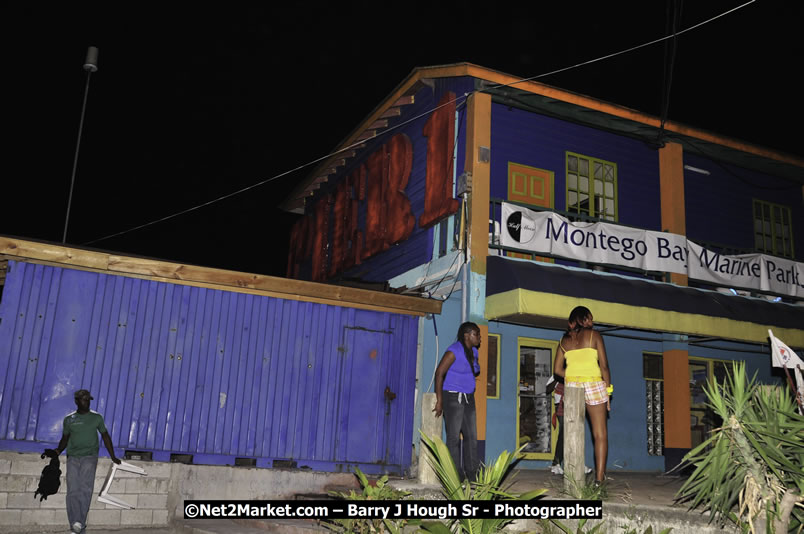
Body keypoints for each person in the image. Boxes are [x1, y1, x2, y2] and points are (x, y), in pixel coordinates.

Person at [44, 389, 121, 534]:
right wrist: (57, 451)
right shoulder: (69, 419)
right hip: (73, 457)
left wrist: (113, 456)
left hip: (89, 457)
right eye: (84, 399)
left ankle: (80, 523)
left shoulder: (96, 418)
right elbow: (65, 438)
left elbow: (105, 436)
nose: (86, 402)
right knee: (73, 490)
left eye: (88, 400)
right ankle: (75, 524)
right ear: (77, 401)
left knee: (85, 489)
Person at [553, 306, 611, 485]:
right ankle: (599, 480)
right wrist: (608, 392)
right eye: (589, 319)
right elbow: (604, 367)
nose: (591, 323)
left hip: (572, 387)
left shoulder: (564, 341)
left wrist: (573, 377)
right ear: (582, 319)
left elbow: (557, 370)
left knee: (572, 433)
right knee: (600, 434)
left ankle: (572, 479)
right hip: (594, 384)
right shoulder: (595, 335)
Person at [433, 322, 481, 481]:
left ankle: (472, 474)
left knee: (471, 437)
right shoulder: (454, 351)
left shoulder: (473, 351)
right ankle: (455, 475)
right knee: (453, 437)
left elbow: (475, 370)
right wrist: (439, 401)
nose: (480, 337)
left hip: (468, 398)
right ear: (467, 335)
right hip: (452, 397)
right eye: (477, 334)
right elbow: (439, 374)